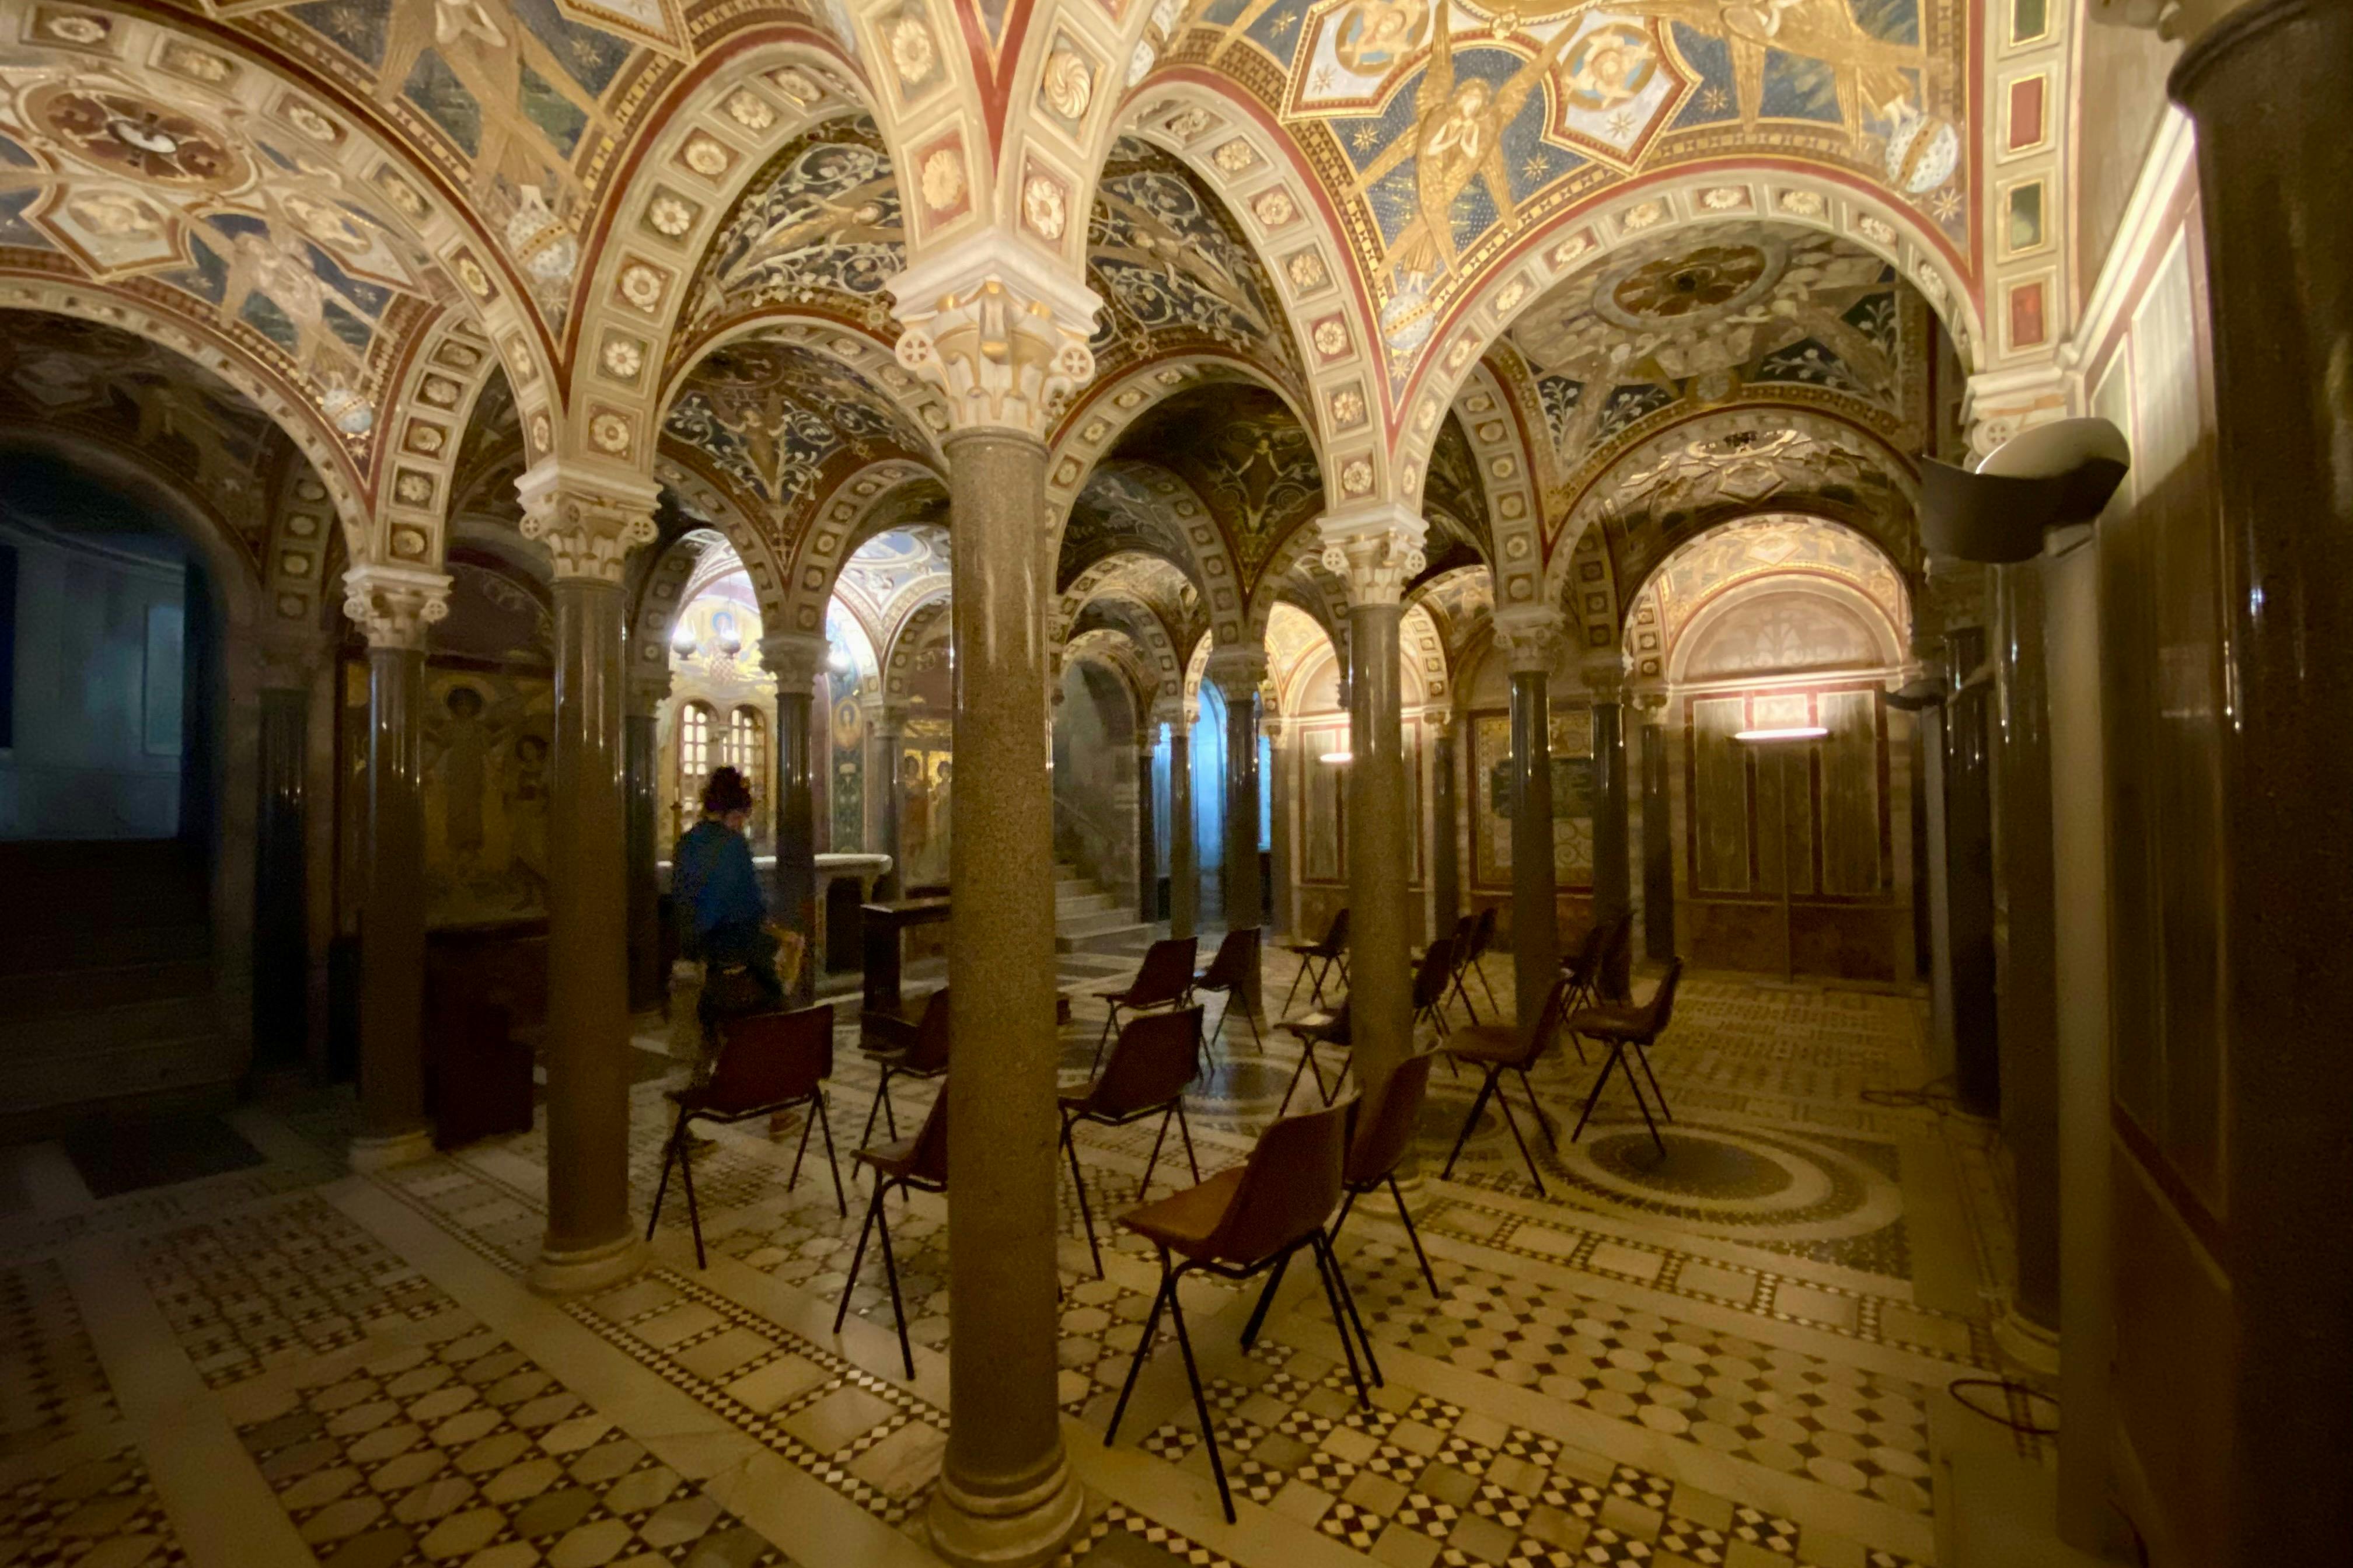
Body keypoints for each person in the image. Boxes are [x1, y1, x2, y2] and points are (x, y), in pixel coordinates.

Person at [672, 767, 783, 1038]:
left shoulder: (687, 842)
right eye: (744, 817)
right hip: (731, 947)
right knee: (778, 977)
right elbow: (750, 907)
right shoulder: (734, 845)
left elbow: (683, 900)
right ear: (735, 813)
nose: (743, 824)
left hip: (695, 948)